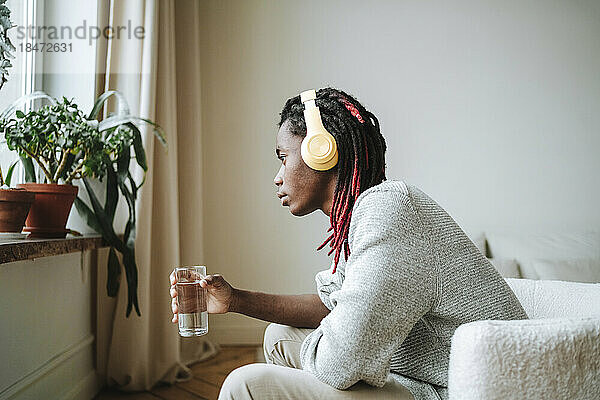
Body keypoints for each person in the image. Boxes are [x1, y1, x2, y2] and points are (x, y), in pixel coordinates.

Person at [169, 87, 527, 400]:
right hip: (424, 375)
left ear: (321, 150)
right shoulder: (364, 214)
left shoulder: (390, 210)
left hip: (455, 390)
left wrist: (340, 344)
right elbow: (332, 307)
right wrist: (235, 300)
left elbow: (339, 365)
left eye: (283, 156)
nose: (277, 177)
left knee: (245, 384)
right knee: (280, 336)